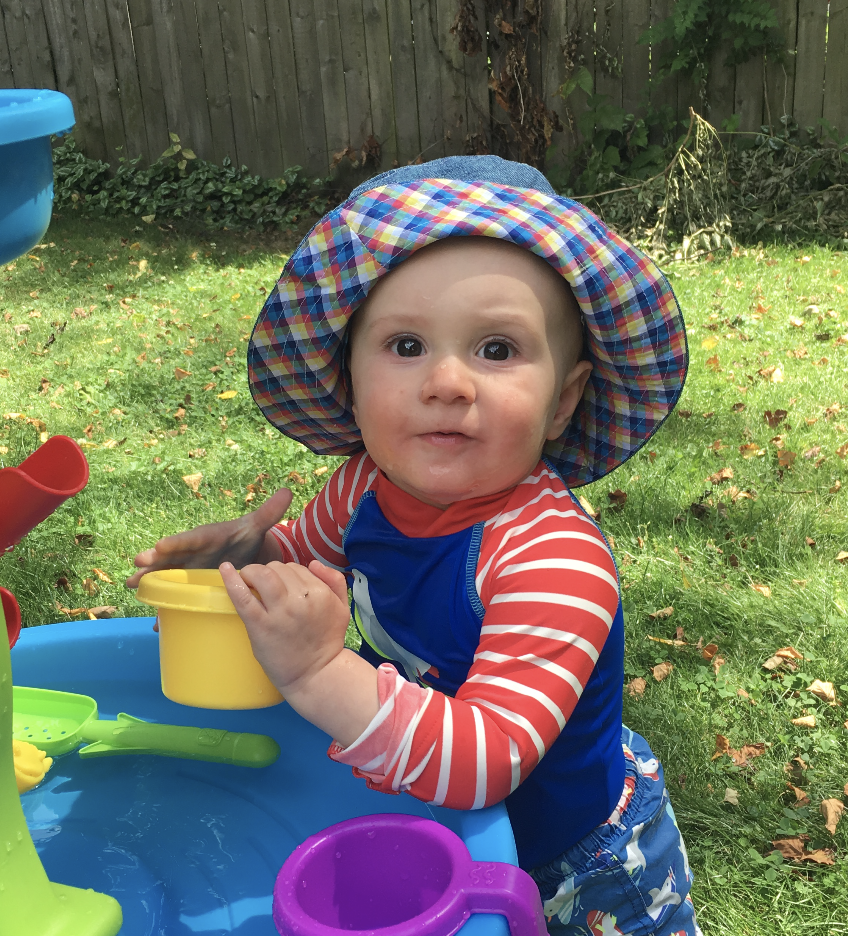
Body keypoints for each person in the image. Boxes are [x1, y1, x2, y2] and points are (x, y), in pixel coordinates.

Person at [128, 156, 699, 935]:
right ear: (351, 381)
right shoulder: (362, 488)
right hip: (440, 818)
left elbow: (486, 760)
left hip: (574, 861)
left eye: (497, 349)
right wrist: (242, 567)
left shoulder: (551, 559)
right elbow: (304, 566)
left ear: (564, 401)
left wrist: (317, 669)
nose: (449, 381)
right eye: (405, 347)